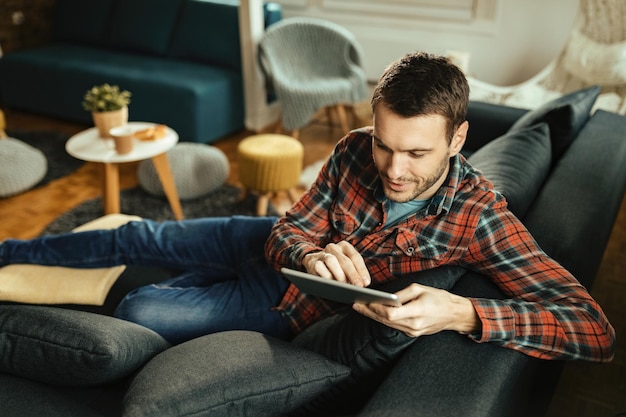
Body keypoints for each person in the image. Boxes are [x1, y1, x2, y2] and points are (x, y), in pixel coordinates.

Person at [0, 52, 615, 363]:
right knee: (137, 233)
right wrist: (312, 250)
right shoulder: (353, 151)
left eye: (417, 153)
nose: (394, 170)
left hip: (282, 305)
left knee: (142, 305)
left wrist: (465, 313)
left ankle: (191, 288)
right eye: (385, 145)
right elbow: (292, 226)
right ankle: (9, 253)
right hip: (265, 244)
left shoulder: (480, 218)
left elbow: (593, 329)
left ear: (457, 141)